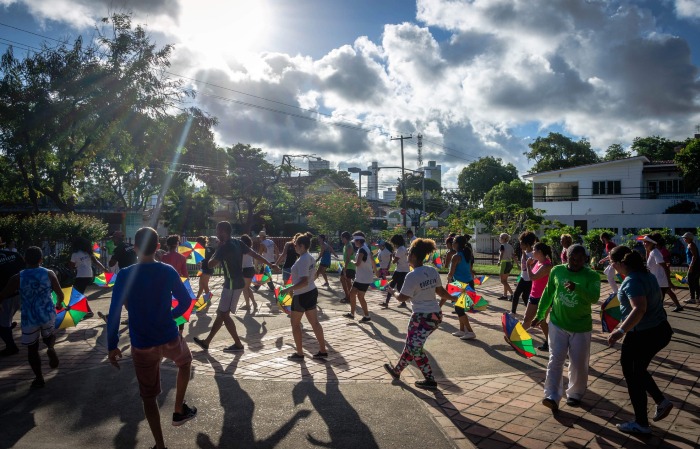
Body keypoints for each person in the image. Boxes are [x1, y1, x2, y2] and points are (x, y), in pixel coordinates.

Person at [106, 227, 198, 449]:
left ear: (135, 247)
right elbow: (186, 303)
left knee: (149, 396)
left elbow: (115, 312)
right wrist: (170, 316)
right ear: (158, 247)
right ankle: (178, 410)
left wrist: (112, 345)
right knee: (185, 363)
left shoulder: (125, 275)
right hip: (169, 336)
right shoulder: (168, 271)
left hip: (141, 343)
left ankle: (160, 445)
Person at [608, 246, 674, 434]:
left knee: (633, 374)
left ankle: (641, 422)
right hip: (659, 330)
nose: (612, 266)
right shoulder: (648, 276)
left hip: (642, 334)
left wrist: (620, 331)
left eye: (613, 262)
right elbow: (656, 298)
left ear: (621, 263)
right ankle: (660, 402)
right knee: (637, 371)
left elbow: (639, 308)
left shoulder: (632, 281)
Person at [531, 244, 601, 411]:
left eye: (579, 260)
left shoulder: (591, 275)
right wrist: (540, 315)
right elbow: (548, 293)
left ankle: (575, 394)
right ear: (566, 257)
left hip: (581, 326)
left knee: (578, 363)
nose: (576, 262)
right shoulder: (557, 271)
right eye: (572, 259)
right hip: (557, 323)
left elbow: (594, 297)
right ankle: (552, 396)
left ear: (585, 259)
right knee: (555, 359)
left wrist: (577, 288)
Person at [193, 222, 277, 352]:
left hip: (232, 285)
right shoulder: (238, 243)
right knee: (221, 313)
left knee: (224, 315)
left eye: (217, 231)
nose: (216, 234)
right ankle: (206, 342)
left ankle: (238, 344)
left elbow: (210, 265)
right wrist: (271, 265)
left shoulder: (224, 247)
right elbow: (255, 255)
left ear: (223, 232)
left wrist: (217, 249)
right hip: (236, 283)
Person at [384, 238, 455, 390]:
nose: (407, 256)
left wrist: (393, 291)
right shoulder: (432, 270)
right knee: (411, 345)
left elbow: (402, 298)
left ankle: (429, 379)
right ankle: (397, 371)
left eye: (409, 253)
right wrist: (454, 297)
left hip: (421, 318)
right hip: (435, 316)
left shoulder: (412, 275)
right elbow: (441, 292)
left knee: (415, 348)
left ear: (414, 256)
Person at [0, 247, 63, 388]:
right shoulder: (49, 273)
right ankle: (51, 347)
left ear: (24, 260)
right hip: (48, 313)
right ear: (41, 260)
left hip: (30, 318)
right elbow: (60, 294)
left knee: (32, 349)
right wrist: (58, 304)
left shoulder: (17, 278)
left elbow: (2, 295)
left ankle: (39, 378)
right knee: (49, 334)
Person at [278, 232, 327, 361]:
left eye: (295, 244)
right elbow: (312, 276)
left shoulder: (302, 260)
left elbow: (303, 280)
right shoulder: (310, 257)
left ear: (302, 245)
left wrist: (288, 289)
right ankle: (323, 350)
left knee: (295, 324)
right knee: (315, 323)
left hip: (302, 294)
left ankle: (299, 354)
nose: (294, 247)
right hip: (311, 291)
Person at [446, 235, 477, 340]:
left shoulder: (456, 256)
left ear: (457, 244)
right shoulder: (466, 254)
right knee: (460, 308)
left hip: (461, 285)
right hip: (467, 283)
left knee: (459, 309)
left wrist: (448, 277)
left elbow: (451, 273)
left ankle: (470, 331)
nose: (452, 244)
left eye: (453, 242)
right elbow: (468, 269)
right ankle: (462, 330)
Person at [641, 234, 683, 312]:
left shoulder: (656, 252)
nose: (643, 244)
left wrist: (669, 282)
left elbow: (665, 267)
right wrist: (647, 250)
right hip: (657, 282)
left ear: (651, 243)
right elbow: (648, 262)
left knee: (657, 306)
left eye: (645, 242)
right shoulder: (652, 252)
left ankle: (661, 321)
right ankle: (677, 307)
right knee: (657, 306)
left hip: (660, 283)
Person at [69, 237, 106, 319]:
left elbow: (71, 267)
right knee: (79, 293)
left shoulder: (75, 254)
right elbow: (96, 262)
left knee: (77, 293)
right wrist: (104, 268)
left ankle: (88, 312)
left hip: (81, 276)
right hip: (89, 275)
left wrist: (77, 267)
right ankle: (86, 311)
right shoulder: (89, 253)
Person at [344, 231, 376, 322]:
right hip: (362, 277)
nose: (354, 242)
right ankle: (352, 314)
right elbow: (372, 260)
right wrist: (376, 271)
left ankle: (366, 316)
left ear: (359, 240)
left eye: (355, 240)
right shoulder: (365, 248)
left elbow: (357, 264)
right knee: (353, 294)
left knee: (359, 297)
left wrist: (352, 261)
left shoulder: (362, 249)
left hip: (363, 278)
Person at [0, 244, 26, 356]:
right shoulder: (13, 255)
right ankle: (8, 327)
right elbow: (27, 268)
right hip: (21, 293)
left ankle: (11, 346)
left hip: (5, 296)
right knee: (6, 319)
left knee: (2, 324)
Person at [522, 242, 553, 331]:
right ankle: (517, 340)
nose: (532, 252)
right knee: (526, 319)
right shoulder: (538, 262)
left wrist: (527, 264)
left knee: (542, 322)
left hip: (543, 297)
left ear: (539, 251)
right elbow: (534, 275)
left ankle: (549, 343)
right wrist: (530, 264)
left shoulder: (547, 265)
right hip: (533, 295)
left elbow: (532, 277)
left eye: (534, 250)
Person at [510, 231, 536, 314]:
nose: (521, 246)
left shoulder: (533, 254)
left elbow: (535, 267)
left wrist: (525, 259)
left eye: (522, 244)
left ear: (527, 244)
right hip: (523, 277)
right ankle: (513, 312)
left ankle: (531, 312)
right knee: (516, 294)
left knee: (525, 297)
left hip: (529, 279)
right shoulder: (525, 253)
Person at [383, 234, 409, 308]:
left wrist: (392, 257)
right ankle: (388, 302)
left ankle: (388, 302)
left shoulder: (400, 250)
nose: (393, 245)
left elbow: (394, 261)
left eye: (394, 243)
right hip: (403, 270)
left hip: (400, 271)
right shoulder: (403, 248)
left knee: (392, 286)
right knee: (398, 286)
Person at [239, 234, 258, 311]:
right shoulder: (250, 249)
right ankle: (253, 303)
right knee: (247, 287)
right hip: (250, 268)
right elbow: (256, 258)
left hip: (245, 269)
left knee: (245, 288)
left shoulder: (241, 250)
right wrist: (256, 267)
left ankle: (248, 305)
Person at [498, 233, 516, 300]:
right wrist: (517, 264)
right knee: (505, 280)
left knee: (502, 281)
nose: (500, 239)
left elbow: (501, 253)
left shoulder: (502, 245)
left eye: (500, 238)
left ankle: (512, 294)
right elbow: (513, 255)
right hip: (509, 263)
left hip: (504, 263)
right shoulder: (510, 246)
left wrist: (499, 261)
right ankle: (505, 295)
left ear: (502, 239)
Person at [682, 232, 699, 304]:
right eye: (684, 238)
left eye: (686, 238)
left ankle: (692, 298)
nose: (684, 239)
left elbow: (694, 256)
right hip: (696, 265)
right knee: (695, 282)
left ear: (690, 239)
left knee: (690, 281)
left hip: (694, 265)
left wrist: (691, 266)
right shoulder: (690, 244)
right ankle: (698, 297)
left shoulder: (691, 245)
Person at [340, 231, 356, 304]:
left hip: (350, 267)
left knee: (348, 283)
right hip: (346, 266)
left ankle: (351, 297)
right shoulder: (345, 246)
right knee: (342, 280)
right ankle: (347, 296)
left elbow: (347, 259)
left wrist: (344, 270)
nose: (341, 239)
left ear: (344, 238)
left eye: (342, 238)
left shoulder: (349, 246)